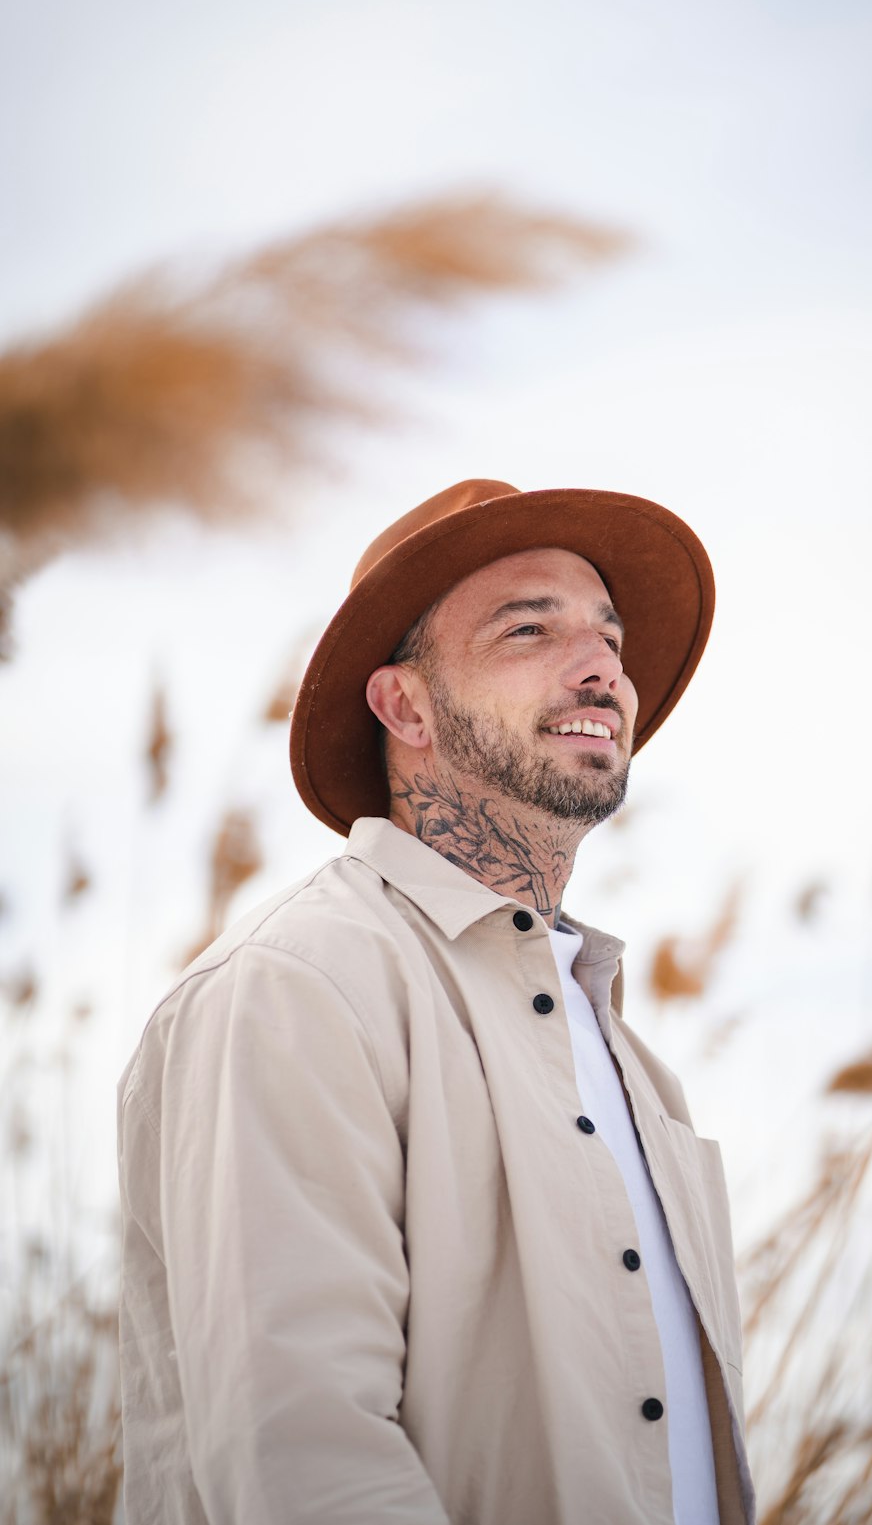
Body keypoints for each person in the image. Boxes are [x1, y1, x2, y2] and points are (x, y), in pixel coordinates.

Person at [117, 479, 755, 1525]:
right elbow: (304, 1457)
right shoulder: (297, 986)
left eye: (608, 634)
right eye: (528, 629)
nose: (602, 666)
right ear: (404, 706)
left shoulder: (631, 1057)